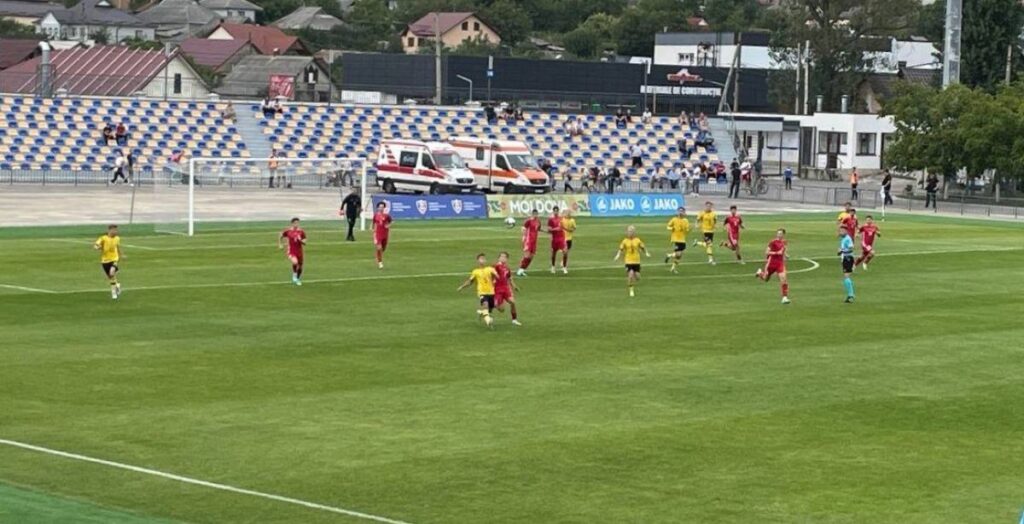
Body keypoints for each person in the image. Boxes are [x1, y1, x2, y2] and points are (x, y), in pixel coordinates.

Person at [457, 253, 499, 328]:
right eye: (481, 258)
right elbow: (470, 281)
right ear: (478, 261)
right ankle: (488, 321)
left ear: (485, 260)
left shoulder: (490, 269)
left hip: (491, 292)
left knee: (489, 310)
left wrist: (495, 278)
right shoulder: (475, 271)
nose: (482, 260)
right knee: (485, 304)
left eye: (483, 258)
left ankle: (482, 313)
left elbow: (497, 276)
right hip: (482, 292)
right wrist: (462, 287)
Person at [755, 228, 791, 304]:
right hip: (771, 263)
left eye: (780, 233)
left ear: (783, 234)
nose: (779, 235)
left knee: (784, 279)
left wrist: (786, 255)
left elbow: (783, 250)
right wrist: (776, 253)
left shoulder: (785, 242)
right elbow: (767, 252)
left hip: (780, 263)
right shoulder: (772, 242)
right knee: (765, 279)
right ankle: (760, 273)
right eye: (778, 233)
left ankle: (784, 298)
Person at [613, 225, 650, 297]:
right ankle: (631, 290)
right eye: (629, 231)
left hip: (636, 261)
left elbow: (642, 247)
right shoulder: (625, 241)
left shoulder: (638, 240)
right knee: (630, 274)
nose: (630, 233)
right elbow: (621, 249)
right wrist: (617, 255)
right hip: (628, 261)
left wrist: (646, 253)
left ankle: (634, 279)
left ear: (634, 232)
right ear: (627, 232)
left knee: (638, 277)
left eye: (632, 231)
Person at [93, 224, 124, 300]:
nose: (116, 232)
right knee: (111, 277)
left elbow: (117, 247)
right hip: (105, 261)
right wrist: (98, 247)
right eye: (114, 230)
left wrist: (121, 255)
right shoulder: (103, 238)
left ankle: (114, 293)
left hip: (114, 259)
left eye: (116, 230)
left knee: (112, 273)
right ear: (109, 230)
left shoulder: (117, 238)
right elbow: (96, 245)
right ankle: (117, 286)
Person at [493, 251, 521, 326]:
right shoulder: (496, 266)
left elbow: (509, 278)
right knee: (501, 310)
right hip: (498, 289)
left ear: (507, 259)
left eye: (504, 257)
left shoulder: (507, 268)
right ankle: (491, 304)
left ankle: (514, 320)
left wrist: (514, 286)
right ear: (498, 258)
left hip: (506, 288)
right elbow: (492, 273)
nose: (502, 258)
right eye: (501, 256)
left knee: (512, 302)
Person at [278, 217, 306, 286]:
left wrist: (301, 240)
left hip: (299, 251)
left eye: (298, 223)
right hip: (291, 251)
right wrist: (280, 244)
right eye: (295, 223)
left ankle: (297, 279)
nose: (296, 224)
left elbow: (305, 242)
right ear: (292, 223)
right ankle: (294, 274)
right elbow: (280, 235)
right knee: (295, 262)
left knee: (300, 267)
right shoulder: (288, 231)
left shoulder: (301, 232)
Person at [664, 207, 690, 274]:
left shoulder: (686, 220)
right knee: (678, 254)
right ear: (677, 212)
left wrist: (687, 230)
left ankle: (673, 268)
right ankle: (669, 256)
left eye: (682, 211)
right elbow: (668, 226)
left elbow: (687, 229)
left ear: (684, 212)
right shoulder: (674, 219)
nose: (680, 212)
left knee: (679, 255)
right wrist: (671, 228)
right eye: (679, 211)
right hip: (675, 239)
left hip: (683, 239)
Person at [517, 209, 541, 276]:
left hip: (534, 241)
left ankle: (523, 270)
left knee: (531, 256)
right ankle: (520, 269)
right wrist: (524, 236)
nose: (535, 215)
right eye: (534, 213)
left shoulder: (538, 221)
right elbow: (523, 228)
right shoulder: (528, 221)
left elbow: (538, 229)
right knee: (527, 255)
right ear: (532, 214)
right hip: (528, 240)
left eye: (536, 213)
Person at [547, 206, 568, 274]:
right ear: (553, 211)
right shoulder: (550, 219)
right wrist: (554, 229)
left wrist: (558, 228)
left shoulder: (561, 218)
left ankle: (564, 267)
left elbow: (562, 227)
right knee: (554, 253)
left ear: (558, 211)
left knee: (565, 252)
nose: (556, 212)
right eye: (555, 211)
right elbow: (549, 230)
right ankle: (553, 267)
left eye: (557, 211)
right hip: (554, 238)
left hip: (561, 238)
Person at [695, 201, 717, 265]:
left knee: (708, 245)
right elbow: (697, 219)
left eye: (710, 206)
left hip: (711, 231)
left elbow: (715, 220)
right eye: (707, 206)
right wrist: (696, 224)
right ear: (705, 206)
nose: (709, 207)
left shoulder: (713, 214)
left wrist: (715, 225)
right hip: (705, 231)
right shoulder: (702, 213)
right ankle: (710, 260)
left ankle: (697, 243)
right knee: (709, 245)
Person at [838, 225, 856, 303]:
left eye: (842, 231)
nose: (841, 232)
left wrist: (842, 251)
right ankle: (850, 295)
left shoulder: (848, 239)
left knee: (846, 276)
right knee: (846, 277)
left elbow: (851, 248)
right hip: (846, 258)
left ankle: (851, 295)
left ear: (846, 231)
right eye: (840, 231)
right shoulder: (844, 239)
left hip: (848, 258)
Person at [372, 201, 391, 269]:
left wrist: (388, 225)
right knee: (379, 248)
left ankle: (378, 255)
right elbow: (374, 225)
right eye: (380, 207)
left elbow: (391, 222)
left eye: (382, 207)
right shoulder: (375, 216)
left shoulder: (387, 216)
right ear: (377, 208)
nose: (381, 208)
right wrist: (374, 236)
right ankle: (380, 263)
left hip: (385, 234)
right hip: (378, 234)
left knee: (383, 249)